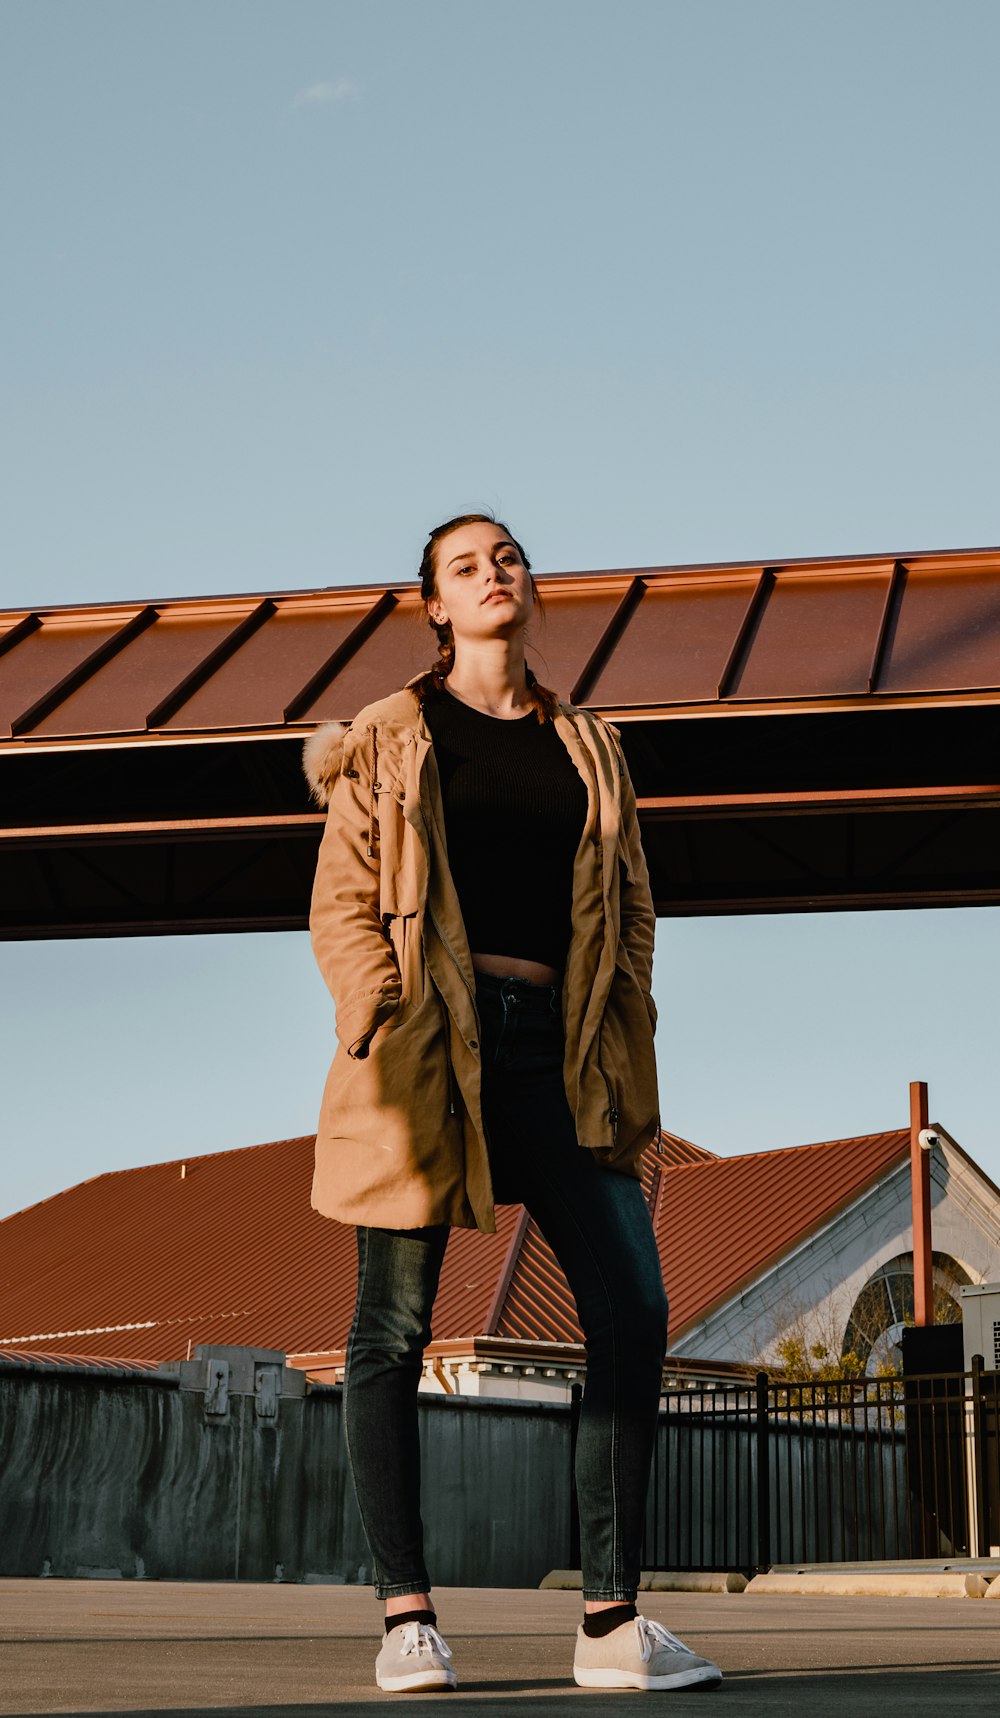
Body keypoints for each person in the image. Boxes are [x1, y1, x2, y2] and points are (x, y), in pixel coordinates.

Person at [302, 513, 722, 1694]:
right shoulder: (387, 738)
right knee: (390, 1327)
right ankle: (407, 1616)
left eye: (509, 557)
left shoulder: (587, 744)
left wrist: (625, 1008)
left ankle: (608, 1621)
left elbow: (630, 901)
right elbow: (343, 898)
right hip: (426, 1048)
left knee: (632, 1310)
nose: (495, 573)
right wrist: (374, 1011)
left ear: (529, 588)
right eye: (466, 565)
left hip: (558, 1052)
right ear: (433, 603)